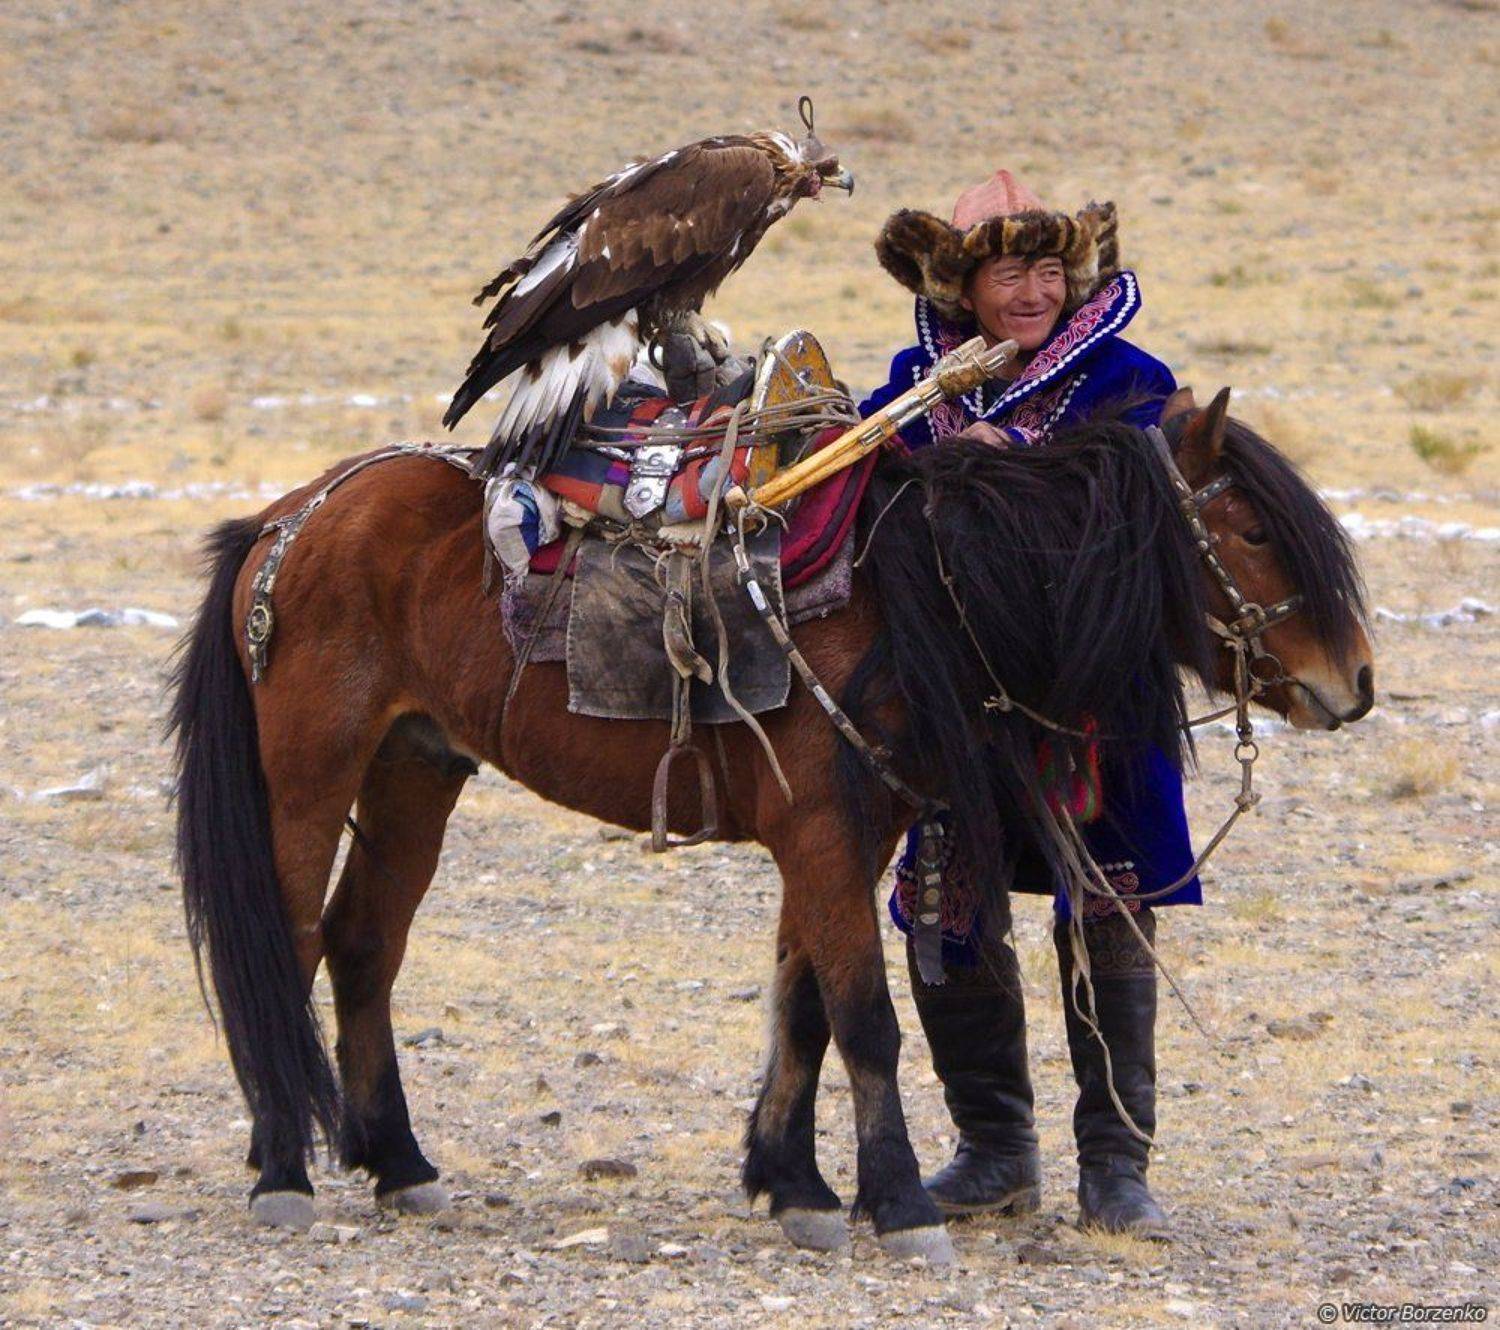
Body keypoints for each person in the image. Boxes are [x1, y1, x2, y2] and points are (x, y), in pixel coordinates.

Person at [859, 170, 1197, 1239]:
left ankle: (1117, 1169)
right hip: (958, 704)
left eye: (1050, 269)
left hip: (1097, 701)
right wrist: (928, 463)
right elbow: (862, 504)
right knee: (949, 914)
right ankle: (995, 1150)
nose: (1034, 292)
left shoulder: (1133, 380)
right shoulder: (916, 386)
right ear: (962, 286)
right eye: (1010, 272)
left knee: (1109, 910)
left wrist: (1024, 471)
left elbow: (1160, 515)